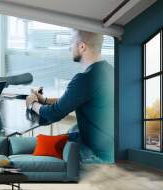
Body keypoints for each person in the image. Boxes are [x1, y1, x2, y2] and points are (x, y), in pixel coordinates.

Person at [26, 30, 114, 163]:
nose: (69, 47)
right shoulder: (108, 70)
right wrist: (44, 100)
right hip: (109, 145)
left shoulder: (85, 79)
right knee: (64, 135)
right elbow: (74, 100)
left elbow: (53, 114)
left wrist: (32, 104)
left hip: (95, 152)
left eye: (71, 42)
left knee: (41, 149)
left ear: (82, 46)